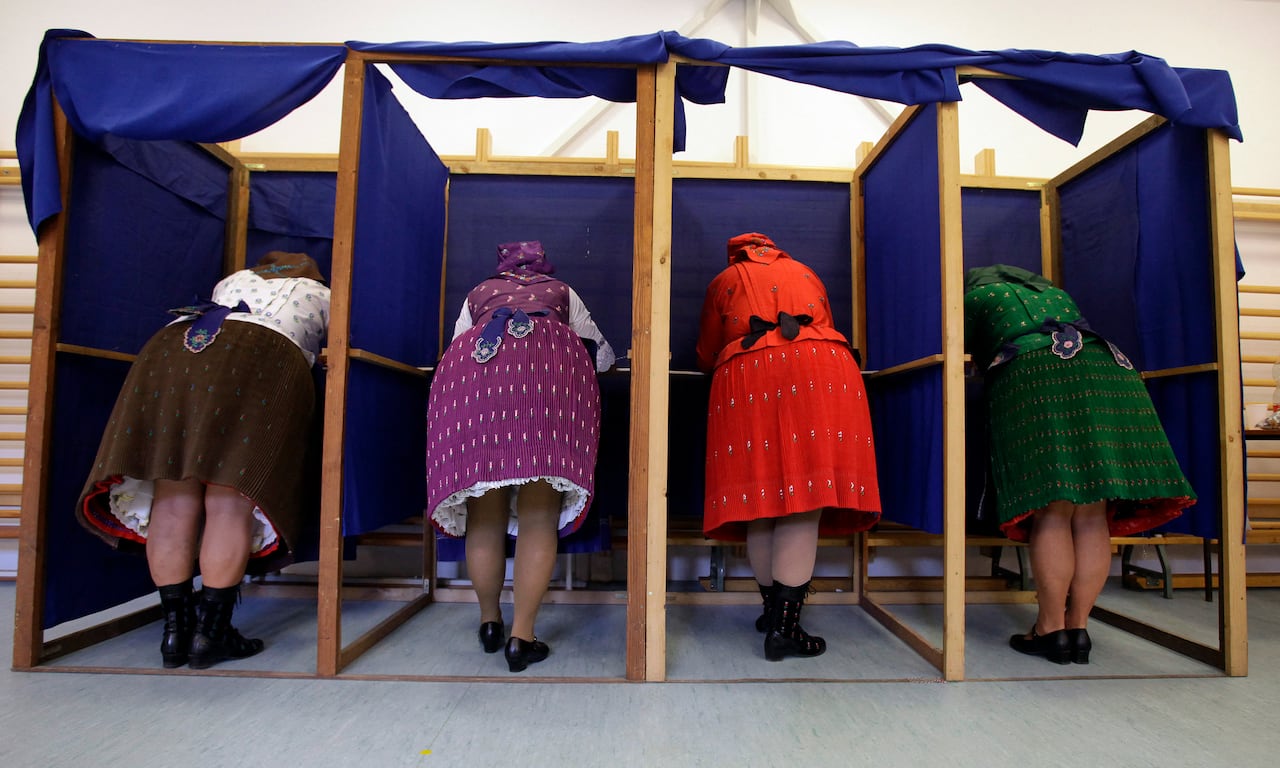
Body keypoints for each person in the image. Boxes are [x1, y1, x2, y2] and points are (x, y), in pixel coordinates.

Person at [77, 250, 330, 670]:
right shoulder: (321, 294)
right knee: (230, 499)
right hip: (257, 354)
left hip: (172, 348)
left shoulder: (228, 283)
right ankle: (211, 634)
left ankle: (175, 633)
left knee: (173, 494)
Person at [964, 263, 1196, 665]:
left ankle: (1050, 629)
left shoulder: (973, 297)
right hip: (1107, 366)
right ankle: (1078, 629)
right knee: (1091, 513)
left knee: (1053, 510)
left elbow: (963, 355)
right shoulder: (1054, 293)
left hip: (1038, 370)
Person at [426, 240, 615, 673]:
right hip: (546, 391)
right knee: (537, 518)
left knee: (484, 517)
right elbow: (601, 357)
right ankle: (521, 637)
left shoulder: (478, 294)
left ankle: (489, 622)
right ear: (543, 266)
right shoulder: (563, 292)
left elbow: (455, 348)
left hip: (477, 393)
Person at [695, 232, 881, 662]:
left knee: (761, 498)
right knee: (803, 498)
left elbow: (706, 352)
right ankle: (783, 626)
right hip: (821, 368)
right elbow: (826, 323)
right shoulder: (805, 271)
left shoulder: (724, 280)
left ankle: (775, 617)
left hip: (747, 372)